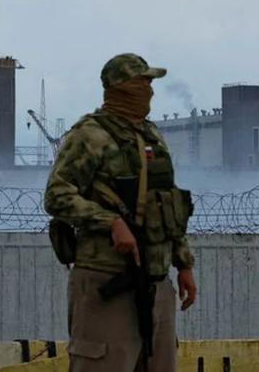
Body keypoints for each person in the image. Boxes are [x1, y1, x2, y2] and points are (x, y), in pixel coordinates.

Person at [44, 53, 198, 372]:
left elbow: (167, 204)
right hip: (107, 280)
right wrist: (110, 221)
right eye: (143, 82)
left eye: (150, 83)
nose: (150, 91)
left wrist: (183, 263)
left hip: (156, 281)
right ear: (121, 87)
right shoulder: (89, 136)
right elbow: (56, 195)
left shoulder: (152, 136)